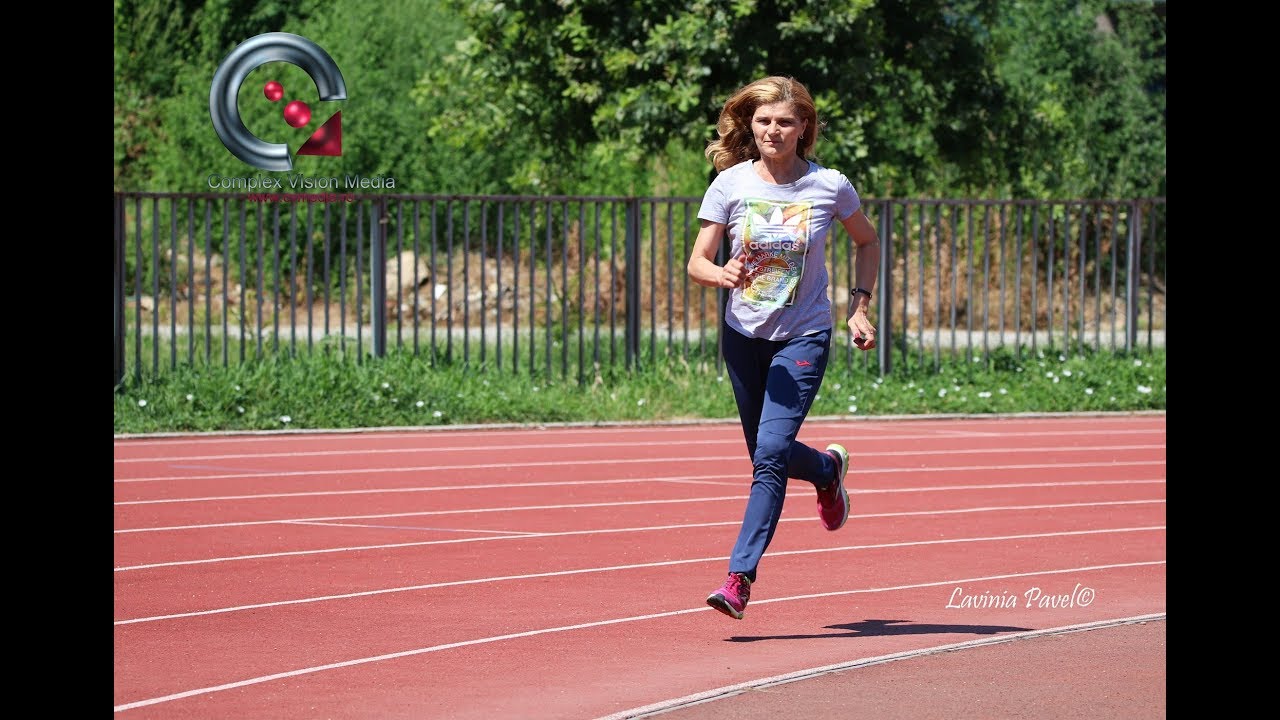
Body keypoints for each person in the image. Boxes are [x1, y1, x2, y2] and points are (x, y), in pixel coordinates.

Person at [687, 76, 881, 620]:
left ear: (804, 129)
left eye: (785, 122)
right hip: (743, 336)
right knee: (765, 453)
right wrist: (718, 273)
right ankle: (825, 470)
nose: (773, 130)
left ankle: (738, 578)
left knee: (768, 459)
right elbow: (697, 260)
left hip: (804, 335)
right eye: (764, 120)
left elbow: (867, 241)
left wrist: (859, 307)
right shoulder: (728, 185)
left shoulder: (830, 186)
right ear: (751, 123)